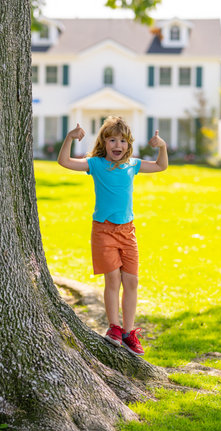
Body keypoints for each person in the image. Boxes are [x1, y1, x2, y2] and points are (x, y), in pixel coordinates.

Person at [58, 116, 168, 356]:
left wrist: (162, 147)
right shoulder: (95, 164)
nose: (117, 145)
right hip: (104, 231)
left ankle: (129, 333)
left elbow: (161, 166)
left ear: (129, 145)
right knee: (113, 280)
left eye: (123, 141)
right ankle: (114, 328)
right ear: (104, 143)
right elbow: (64, 161)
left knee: (131, 281)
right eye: (112, 140)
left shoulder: (133, 165)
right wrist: (69, 138)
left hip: (128, 232)